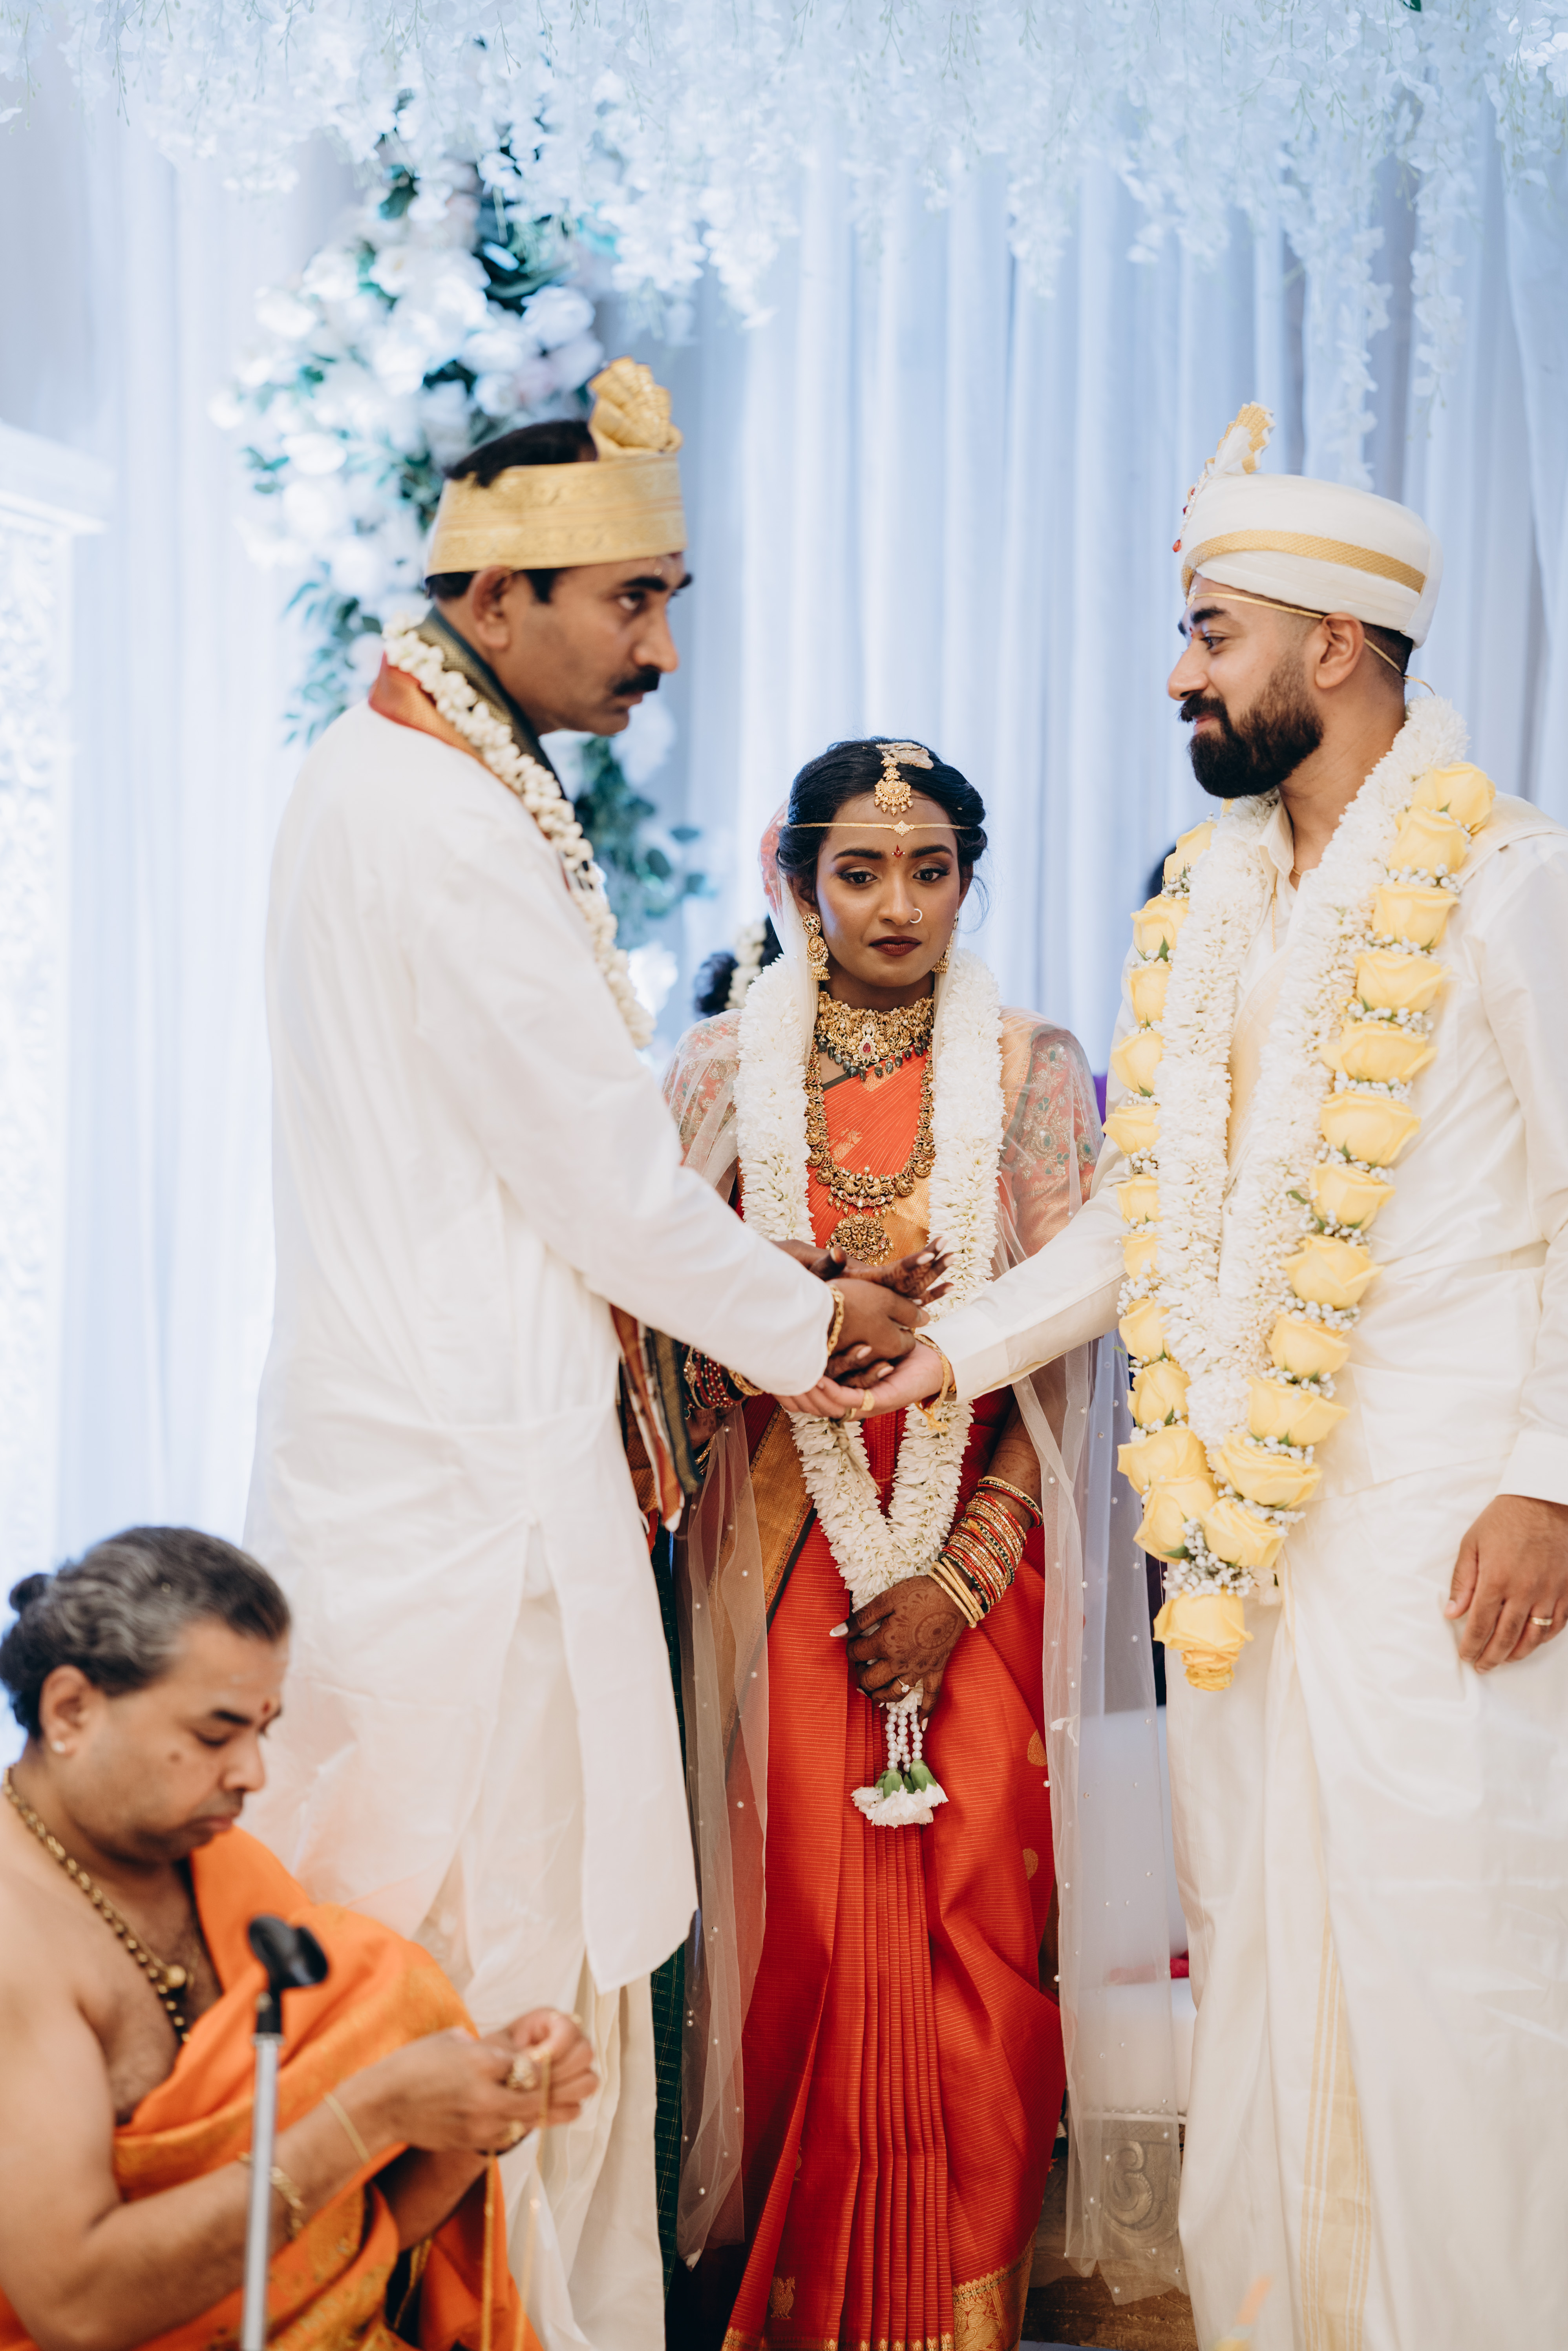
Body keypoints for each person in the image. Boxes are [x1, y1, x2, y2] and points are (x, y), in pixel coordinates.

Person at [869, 409, 1568, 2349]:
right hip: (1243, 1540)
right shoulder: (1207, 896)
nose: (1176, 672)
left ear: (1332, 645)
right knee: (1260, 1947)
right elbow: (1145, 1215)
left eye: (1210, 631)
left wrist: (1549, 1475)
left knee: (1452, 1954)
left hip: (1448, 1514)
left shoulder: (1507, 880)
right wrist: (943, 1351)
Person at [241, 358, 919, 2351]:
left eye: (667, 597)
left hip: (414, 1442)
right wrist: (815, 1321)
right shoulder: (443, 826)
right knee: (502, 1955)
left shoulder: (381, 773)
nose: (659, 646)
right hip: (471, 1483)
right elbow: (604, 1185)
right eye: (631, 600)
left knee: (420, 1931)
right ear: (497, 596)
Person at [658, 739, 1110, 2351]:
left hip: (978, 1552)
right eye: (859, 872)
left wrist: (959, 1572)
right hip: (778, 1547)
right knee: (793, 1921)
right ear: (793, 882)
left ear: (969, 880)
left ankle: (955, 2313)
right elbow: (658, 1334)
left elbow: (1065, 1349)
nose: (897, 905)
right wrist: (793, 1300)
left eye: (930, 871)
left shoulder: (1034, 1071)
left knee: (978, 1925)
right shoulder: (718, 1075)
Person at [0, 1525, 599, 2351]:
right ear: (70, 1709)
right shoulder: (16, 1941)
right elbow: (76, 2309)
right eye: (214, 1735)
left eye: (262, 1731)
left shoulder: (228, 1869)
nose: (251, 1773)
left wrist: (485, 2105)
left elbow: (353, 2240)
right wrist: (372, 2113)